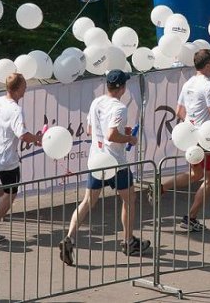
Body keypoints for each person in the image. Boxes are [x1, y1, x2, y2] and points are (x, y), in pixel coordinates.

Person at [59, 70, 150, 265]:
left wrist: (119, 133)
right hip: (115, 162)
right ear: (122, 88)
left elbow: (92, 130)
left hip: (96, 159)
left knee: (87, 201)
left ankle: (70, 237)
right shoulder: (119, 108)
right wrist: (129, 138)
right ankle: (128, 241)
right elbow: (111, 135)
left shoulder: (96, 102)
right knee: (129, 200)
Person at [152, 49, 210, 231]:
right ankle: (191, 218)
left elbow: (179, 111)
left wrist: (192, 123)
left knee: (196, 175)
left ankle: (161, 187)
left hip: (190, 136)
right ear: (207, 66)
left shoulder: (188, 83)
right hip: (207, 138)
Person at [0, 73, 41, 243]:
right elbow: (22, 135)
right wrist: (38, 139)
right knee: (11, 194)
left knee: (7, 186)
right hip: (7, 157)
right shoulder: (16, 110)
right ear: (17, 89)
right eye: (24, 86)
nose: (26, 89)